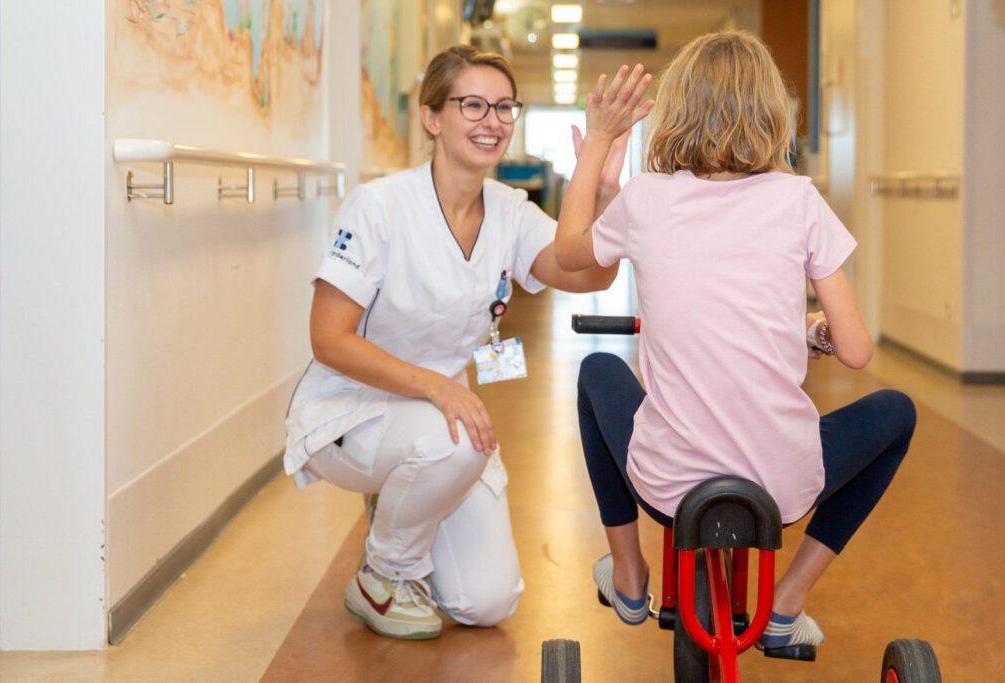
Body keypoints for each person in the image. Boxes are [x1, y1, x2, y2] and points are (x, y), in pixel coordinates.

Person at [554, 31, 916, 655]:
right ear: (773, 111)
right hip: (783, 485)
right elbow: (855, 351)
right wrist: (814, 335)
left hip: (669, 483)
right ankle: (788, 603)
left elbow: (568, 252)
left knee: (597, 372)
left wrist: (597, 153)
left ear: (677, 109)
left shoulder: (647, 197)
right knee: (896, 413)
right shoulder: (800, 199)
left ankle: (631, 577)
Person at [283, 45, 627, 640]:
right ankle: (383, 572)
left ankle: (405, 507)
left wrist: (603, 193)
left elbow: (591, 273)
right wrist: (440, 388)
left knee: (487, 602)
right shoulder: (380, 206)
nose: (491, 120)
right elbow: (328, 340)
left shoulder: (511, 212)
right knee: (458, 443)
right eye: (472, 105)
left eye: (503, 107)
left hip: (442, 425)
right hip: (351, 411)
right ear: (431, 117)